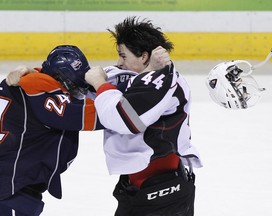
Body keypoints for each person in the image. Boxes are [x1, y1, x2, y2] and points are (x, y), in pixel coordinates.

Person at [85, 16, 203, 216]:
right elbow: (73, 83)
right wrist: (33, 73)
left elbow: (124, 119)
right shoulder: (140, 75)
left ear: (144, 57)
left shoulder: (161, 79)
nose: (119, 62)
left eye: (123, 56)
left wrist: (100, 84)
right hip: (150, 187)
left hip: (160, 192)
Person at [0, 45, 101, 216]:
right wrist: (101, 83)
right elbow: (111, 114)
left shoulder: (25, 83)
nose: (76, 94)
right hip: (11, 190)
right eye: (74, 88)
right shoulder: (44, 96)